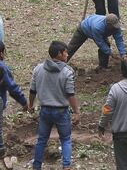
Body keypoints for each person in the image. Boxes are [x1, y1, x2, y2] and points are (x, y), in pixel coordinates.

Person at [29, 41, 80, 170]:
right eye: (65, 52)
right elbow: (70, 94)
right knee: (66, 139)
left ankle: (37, 165)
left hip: (45, 110)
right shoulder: (67, 72)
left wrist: (31, 105)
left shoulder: (38, 69)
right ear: (59, 54)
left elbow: (32, 90)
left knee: (42, 140)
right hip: (61, 111)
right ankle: (66, 165)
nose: (67, 54)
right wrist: (76, 112)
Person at [0, 41, 29, 157]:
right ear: (1, 53)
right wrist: (24, 102)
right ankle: (1, 149)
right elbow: (12, 87)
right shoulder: (2, 67)